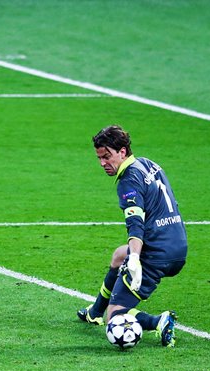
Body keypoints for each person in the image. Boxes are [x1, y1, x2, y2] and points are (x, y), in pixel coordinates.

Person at [77, 125, 187, 347]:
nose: (102, 163)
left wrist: (136, 258)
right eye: (99, 158)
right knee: (119, 256)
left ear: (123, 152)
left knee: (115, 316)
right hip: (178, 245)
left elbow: (135, 225)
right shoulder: (147, 164)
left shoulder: (128, 180)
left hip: (156, 254)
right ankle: (95, 312)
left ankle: (158, 321)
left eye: (107, 156)